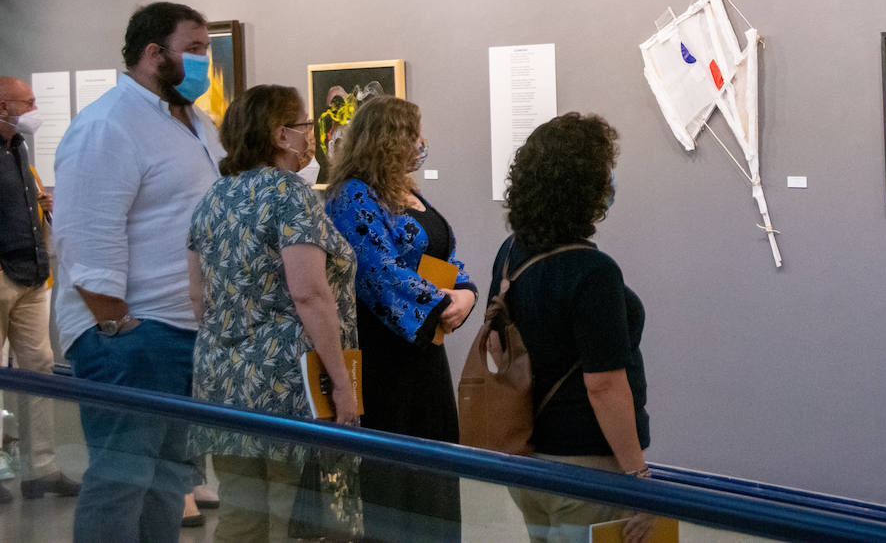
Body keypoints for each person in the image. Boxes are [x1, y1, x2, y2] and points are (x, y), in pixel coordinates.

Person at [51, 1, 225, 543]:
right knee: (121, 480)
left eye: (207, 50)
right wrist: (117, 326)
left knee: (170, 480)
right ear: (154, 54)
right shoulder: (107, 124)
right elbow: (85, 238)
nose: (204, 63)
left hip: (183, 329)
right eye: (194, 50)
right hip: (131, 334)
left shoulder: (197, 124)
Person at [187, 84, 360, 541]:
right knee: (295, 516)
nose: (310, 136)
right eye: (305, 126)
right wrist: (342, 385)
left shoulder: (214, 197)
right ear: (281, 135)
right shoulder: (290, 195)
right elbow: (310, 295)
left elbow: (198, 298)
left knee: (241, 515)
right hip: (287, 381)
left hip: (222, 376)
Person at [492, 112, 657, 543]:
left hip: (528, 458)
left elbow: (497, 347)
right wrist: (638, 477)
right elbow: (604, 385)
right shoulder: (593, 272)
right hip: (587, 464)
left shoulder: (510, 255)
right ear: (583, 187)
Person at [325, 96, 475, 541]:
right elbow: (377, 271)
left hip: (425, 354)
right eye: (414, 133)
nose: (421, 143)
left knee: (434, 475)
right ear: (390, 139)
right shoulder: (353, 195)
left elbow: (441, 256)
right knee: (392, 484)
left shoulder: (406, 192)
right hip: (384, 356)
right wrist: (439, 304)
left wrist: (465, 293)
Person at [0, 76, 81, 505]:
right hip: (1, 271)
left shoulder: (19, 148)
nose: (34, 109)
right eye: (26, 102)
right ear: (1, 106)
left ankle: (40, 467)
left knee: (40, 370)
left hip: (31, 272)